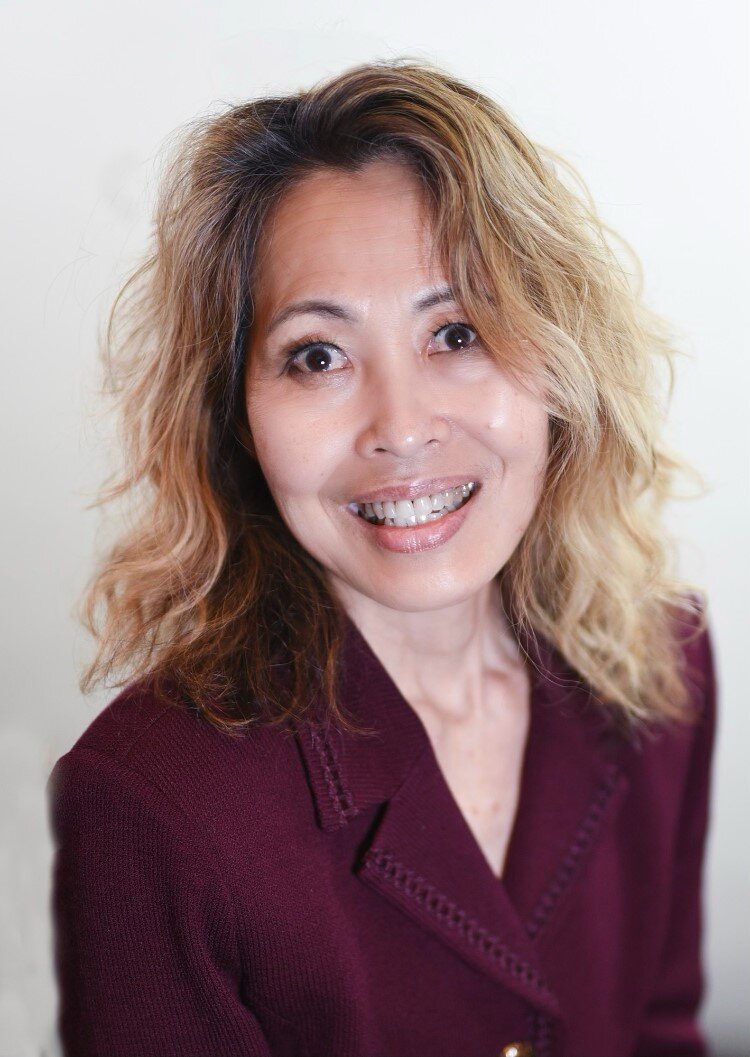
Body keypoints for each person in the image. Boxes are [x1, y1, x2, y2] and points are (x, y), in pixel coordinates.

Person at [47, 58, 718, 1057]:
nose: (401, 429)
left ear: (561, 362)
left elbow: (662, 1030)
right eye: (318, 355)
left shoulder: (667, 663)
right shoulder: (148, 803)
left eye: (457, 331)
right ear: (235, 418)